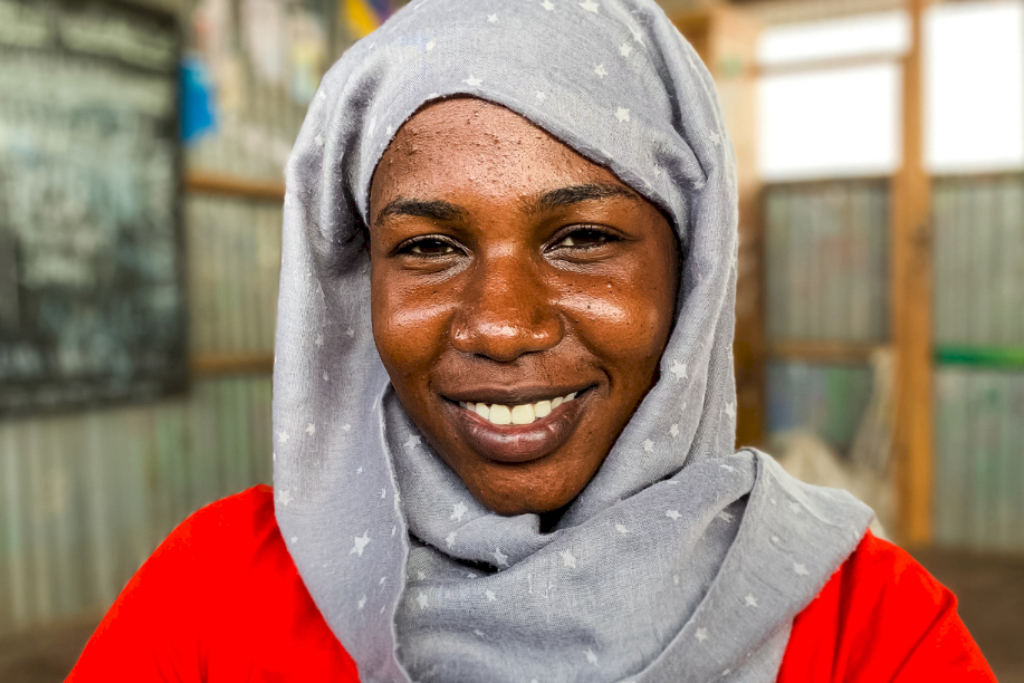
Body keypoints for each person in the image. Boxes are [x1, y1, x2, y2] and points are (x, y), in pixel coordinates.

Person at [69, 1, 995, 681]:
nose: (504, 324)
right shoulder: (213, 597)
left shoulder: (870, 631)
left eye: (583, 237)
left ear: (691, 269)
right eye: (428, 246)